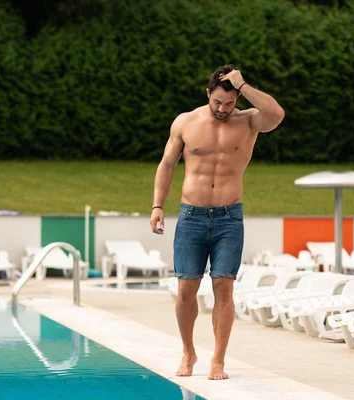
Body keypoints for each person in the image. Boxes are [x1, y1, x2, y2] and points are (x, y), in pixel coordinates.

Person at [149, 64, 284, 380]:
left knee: (223, 287)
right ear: (208, 93)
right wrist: (157, 205)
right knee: (186, 290)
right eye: (218, 102)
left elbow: (276, 115)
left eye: (230, 103)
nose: (224, 109)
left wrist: (244, 85)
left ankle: (218, 360)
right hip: (191, 216)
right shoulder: (186, 122)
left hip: (228, 217)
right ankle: (188, 351)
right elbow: (167, 164)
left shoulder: (249, 120)